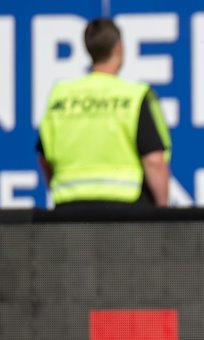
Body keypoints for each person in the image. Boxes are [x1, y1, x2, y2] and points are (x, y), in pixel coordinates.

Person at [37, 17, 171, 210]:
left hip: (70, 210)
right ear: (118, 48)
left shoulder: (61, 95)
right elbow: (154, 160)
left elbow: (44, 156)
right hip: (126, 211)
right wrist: (162, 212)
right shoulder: (134, 95)